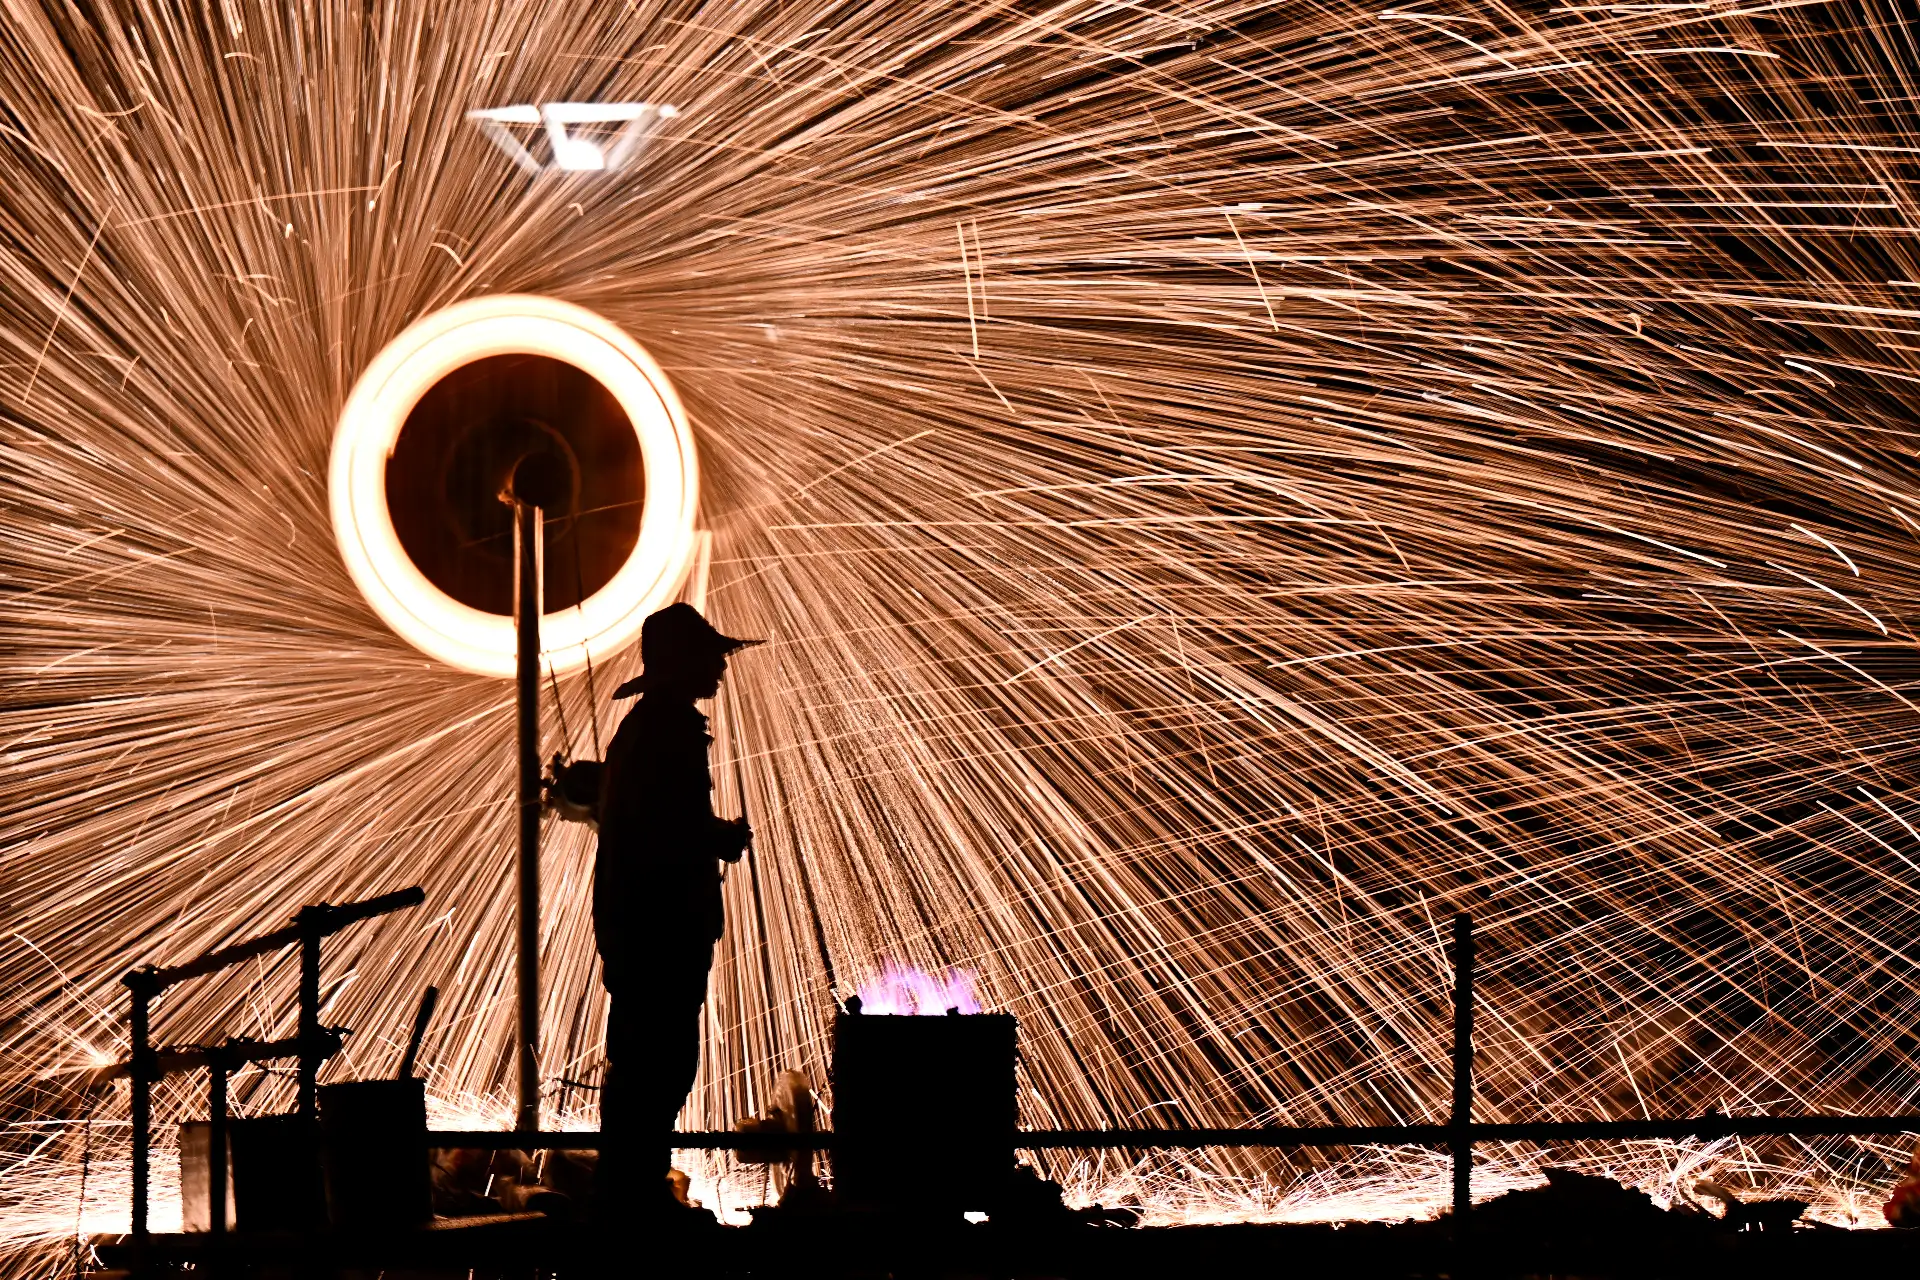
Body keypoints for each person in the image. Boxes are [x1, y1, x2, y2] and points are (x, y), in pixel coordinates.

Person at [593, 603, 760, 1213]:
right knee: (658, 1066)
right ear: (682, 662)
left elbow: (645, 821)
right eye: (711, 654)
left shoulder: (647, 727)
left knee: (647, 1062)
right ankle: (634, 1198)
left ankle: (631, 1189)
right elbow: (661, 830)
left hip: (640, 928)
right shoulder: (668, 731)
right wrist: (716, 838)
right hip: (659, 932)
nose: (720, 665)